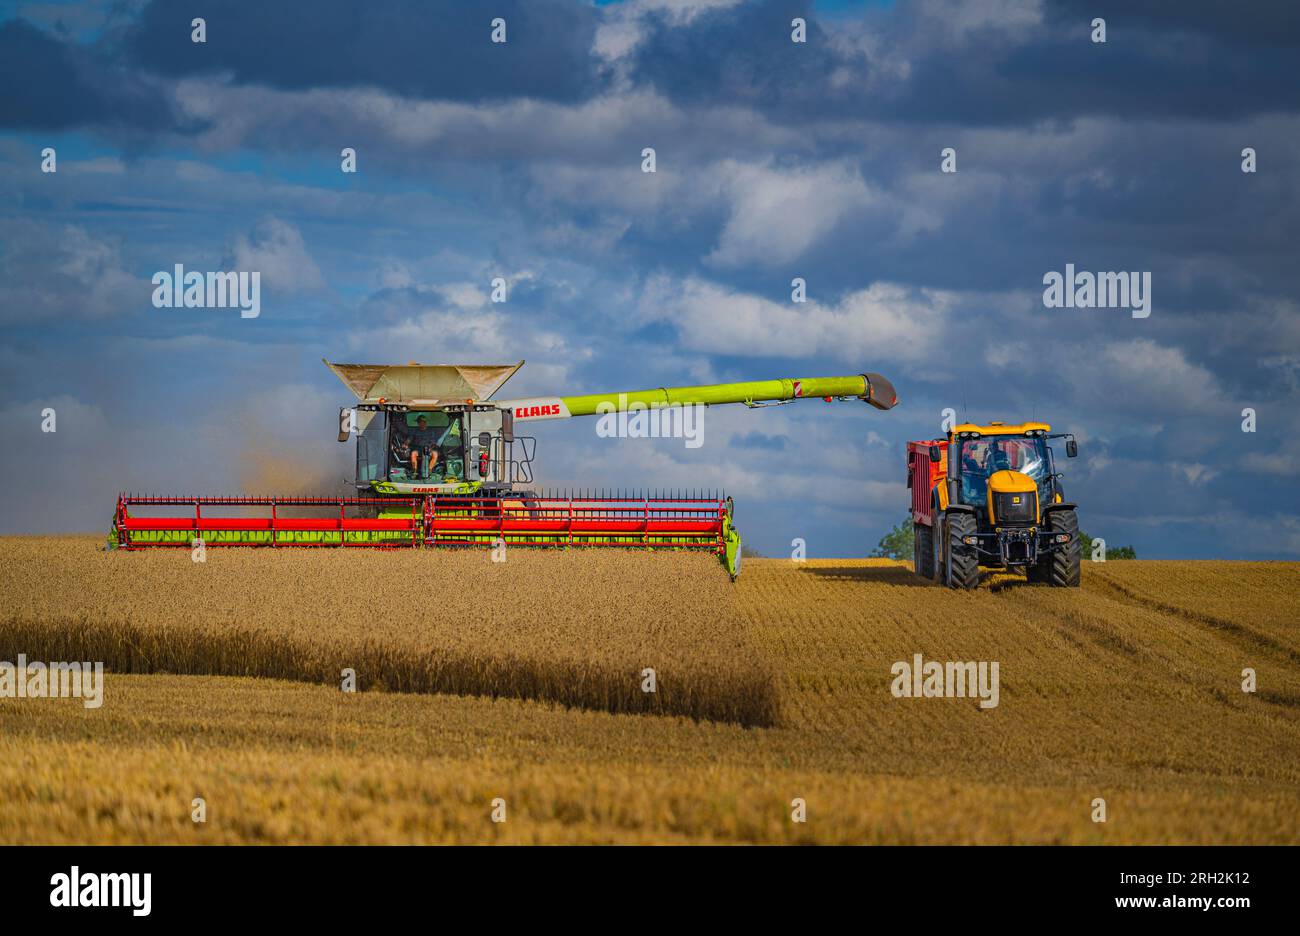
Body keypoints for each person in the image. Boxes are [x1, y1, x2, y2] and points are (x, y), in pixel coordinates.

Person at [403, 414, 441, 479]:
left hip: (429, 449)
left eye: (421, 422)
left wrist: (431, 449)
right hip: (418, 449)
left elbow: (434, 442)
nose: (420, 423)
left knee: (435, 454)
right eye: (419, 422)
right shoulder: (415, 431)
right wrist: (405, 444)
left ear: (425, 423)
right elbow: (409, 439)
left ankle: (429, 470)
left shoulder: (430, 432)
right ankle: (414, 471)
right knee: (413, 454)